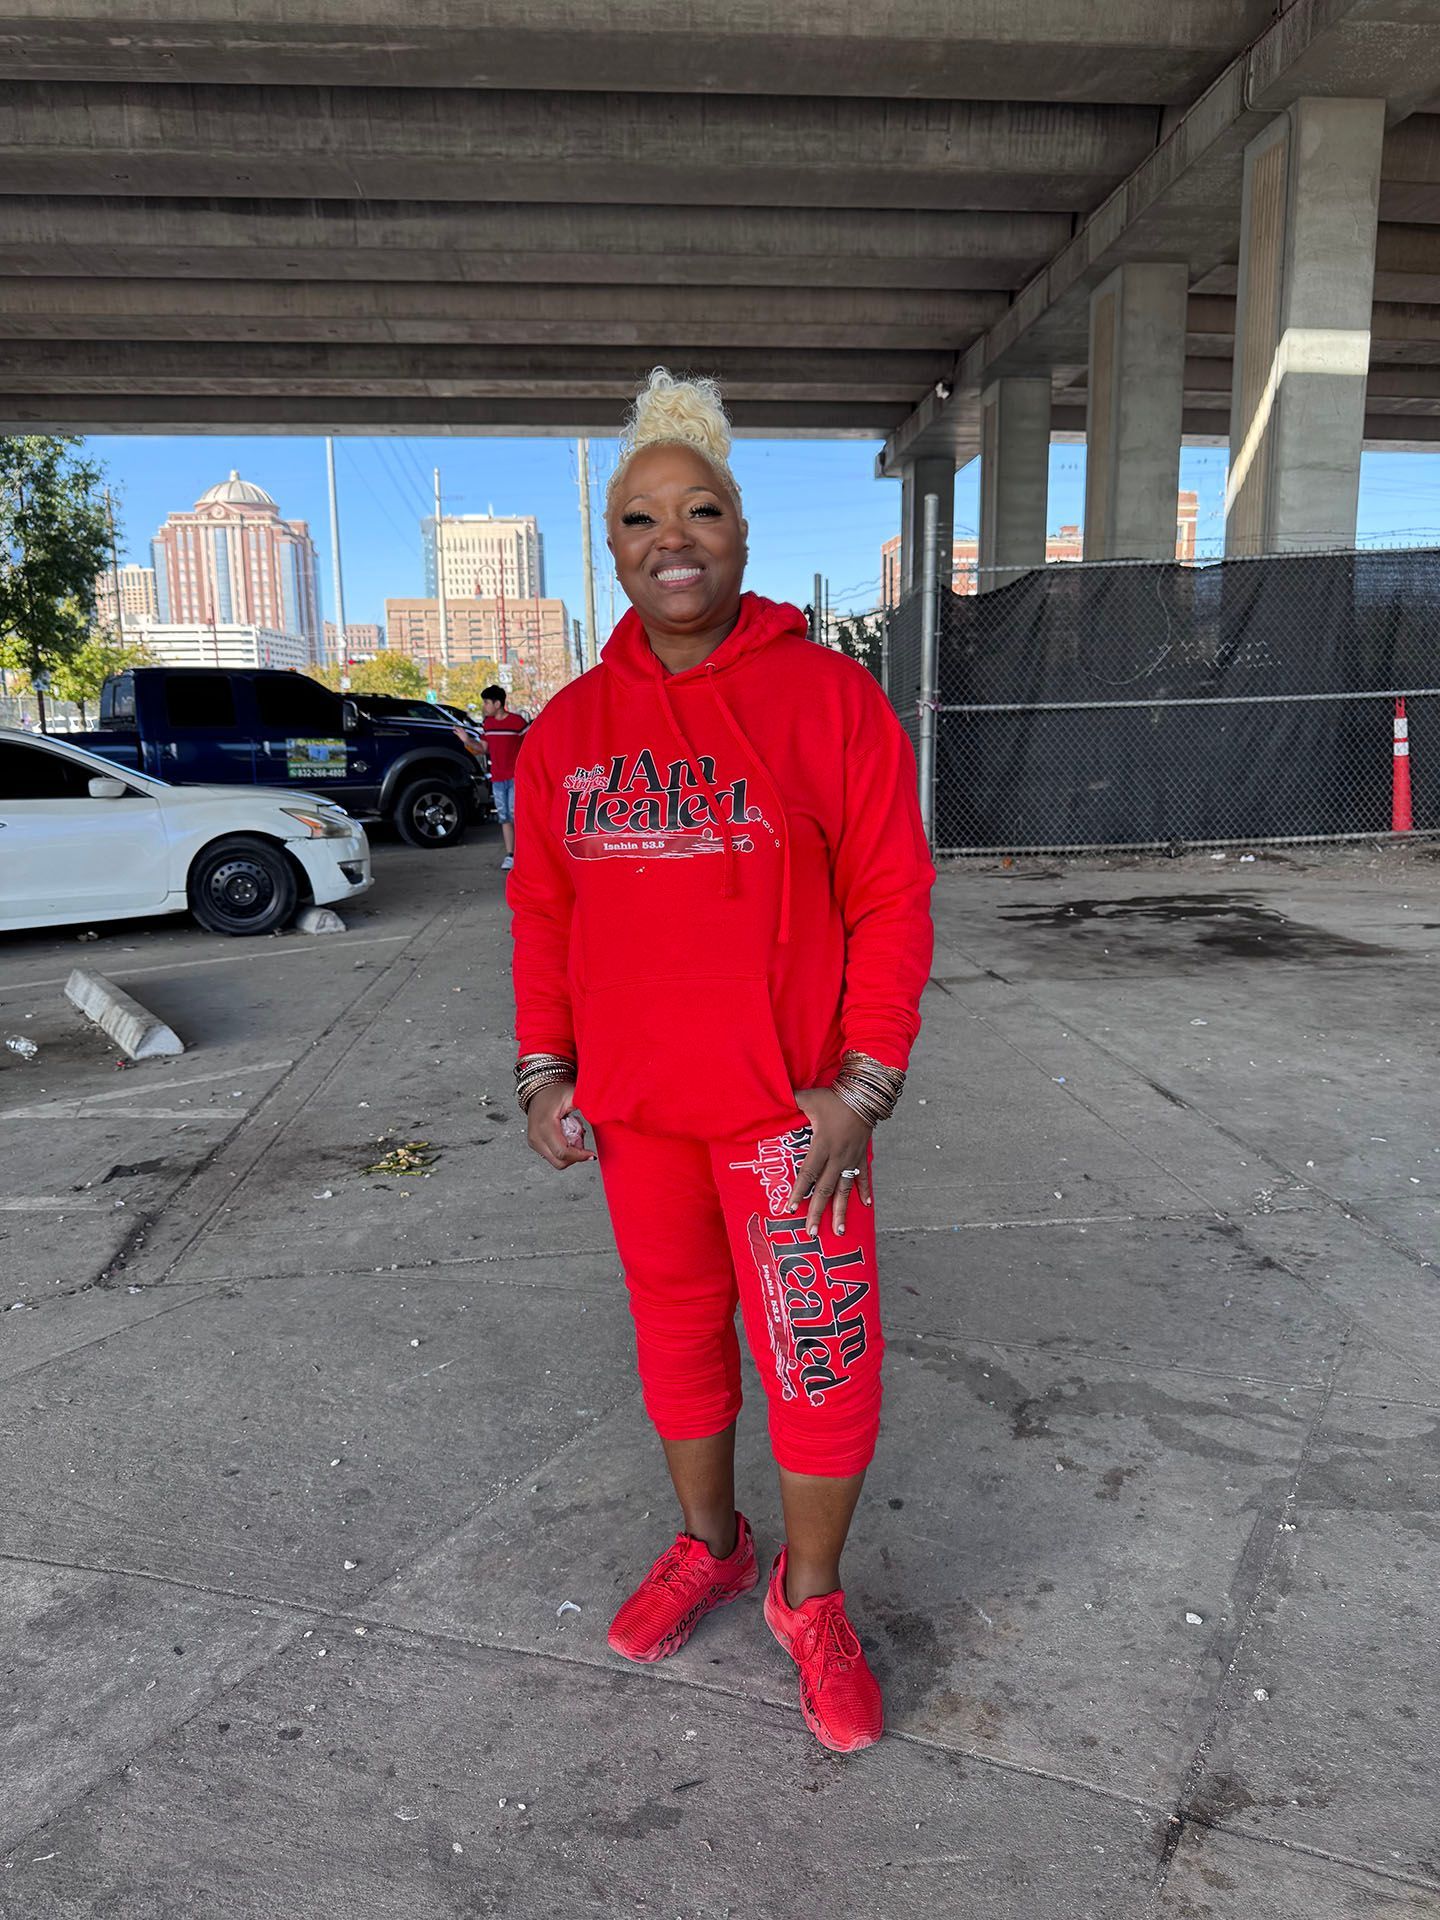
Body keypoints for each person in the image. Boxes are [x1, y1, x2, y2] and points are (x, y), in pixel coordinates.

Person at [507, 368, 933, 1754]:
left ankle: (810, 1600)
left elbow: (892, 899)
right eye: (641, 519)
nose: (670, 538)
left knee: (820, 1362)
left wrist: (863, 1087)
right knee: (683, 1342)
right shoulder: (568, 731)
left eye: (700, 511)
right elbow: (544, 914)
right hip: (639, 1123)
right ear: (613, 546)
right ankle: (713, 1544)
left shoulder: (827, 700)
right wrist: (543, 1070)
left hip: (784, 1127)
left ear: (740, 537)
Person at [480, 684, 527, 871]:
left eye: (486, 702)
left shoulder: (518, 722)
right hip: (498, 779)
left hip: (516, 778)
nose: (484, 706)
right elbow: (483, 748)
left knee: (519, 816)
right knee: (505, 817)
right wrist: (466, 740)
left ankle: (524, 855)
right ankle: (511, 855)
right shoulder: (488, 724)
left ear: (497, 703)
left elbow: (529, 745)